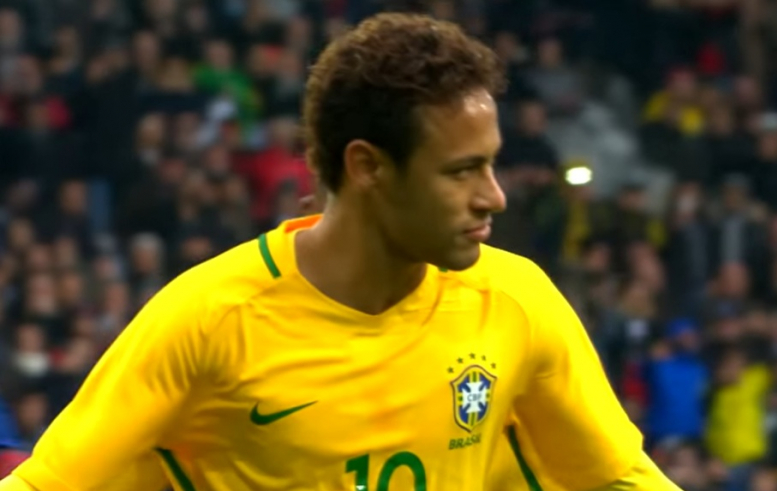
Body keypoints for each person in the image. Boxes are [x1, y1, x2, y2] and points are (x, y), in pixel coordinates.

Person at [1, 13, 681, 491]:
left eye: (491, 164)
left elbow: (618, 479)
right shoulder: (211, 319)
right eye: (460, 171)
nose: (494, 197)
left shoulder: (516, 301)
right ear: (367, 166)